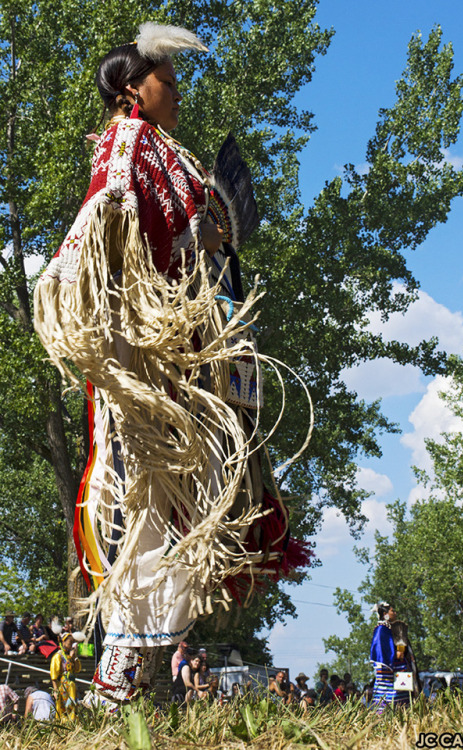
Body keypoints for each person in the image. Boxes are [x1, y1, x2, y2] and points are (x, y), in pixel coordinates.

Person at [34, 21, 310, 709]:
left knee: (182, 496)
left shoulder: (162, 150)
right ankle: (122, 673)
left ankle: (146, 676)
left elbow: (173, 241)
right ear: (134, 88)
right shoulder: (128, 143)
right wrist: (191, 244)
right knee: (142, 495)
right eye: (168, 82)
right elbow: (110, 233)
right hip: (141, 354)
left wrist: (210, 241)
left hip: (173, 357)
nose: (178, 94)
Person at [369, 602, 414, 713]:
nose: (395, 613)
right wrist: (395, 655)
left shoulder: (389, 628)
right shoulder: (381, 629)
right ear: (385, 614)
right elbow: (381, 651)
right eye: (392, 611)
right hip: (387, 671)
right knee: (387, 699)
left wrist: (403, 651)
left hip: (397, 669)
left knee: (401, 702)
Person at [50, 633, 82, 720]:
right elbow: (54, 675)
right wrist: (55, 690)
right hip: (63, 686)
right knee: (63, 709)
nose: (71, 645)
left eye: (72, 643)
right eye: (69, 642)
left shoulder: (71, 656)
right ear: (63, 642)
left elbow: (77, 669)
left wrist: (74, 657)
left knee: (73, 707)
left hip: (72, 686)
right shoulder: (58, 656)